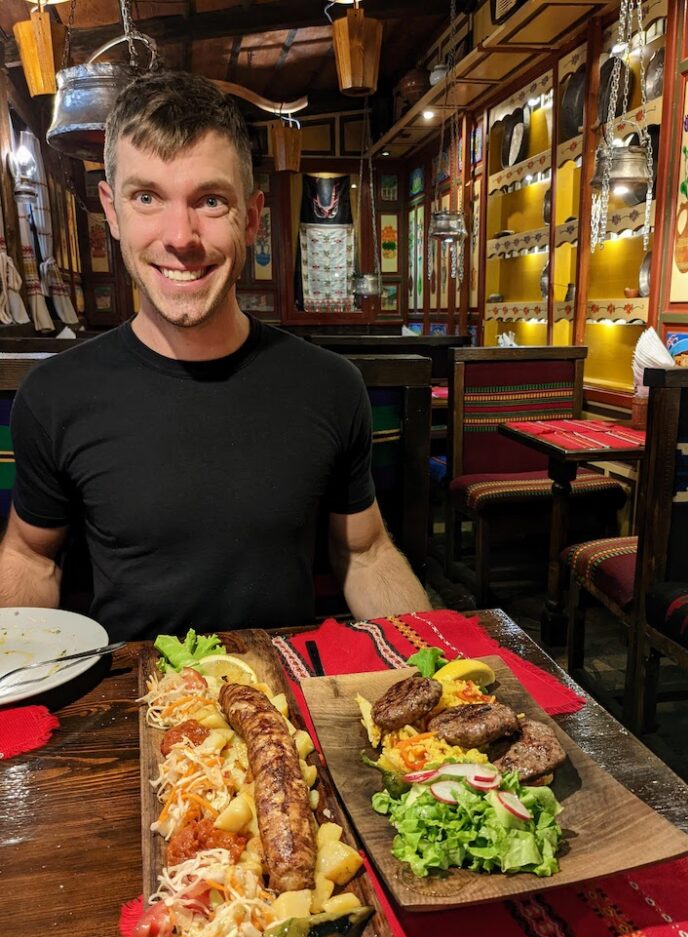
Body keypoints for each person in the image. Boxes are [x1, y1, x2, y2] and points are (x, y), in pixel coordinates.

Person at [0, 71, 430, 640]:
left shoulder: (330, 385)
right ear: (112, 209)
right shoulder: (54, 397)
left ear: (251, 217)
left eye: (210, 200)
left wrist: (436, 663)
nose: (181, 236)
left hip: (290, 709)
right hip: (136, 704)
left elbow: (368, 553)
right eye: (147, 197)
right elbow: (32, 557)